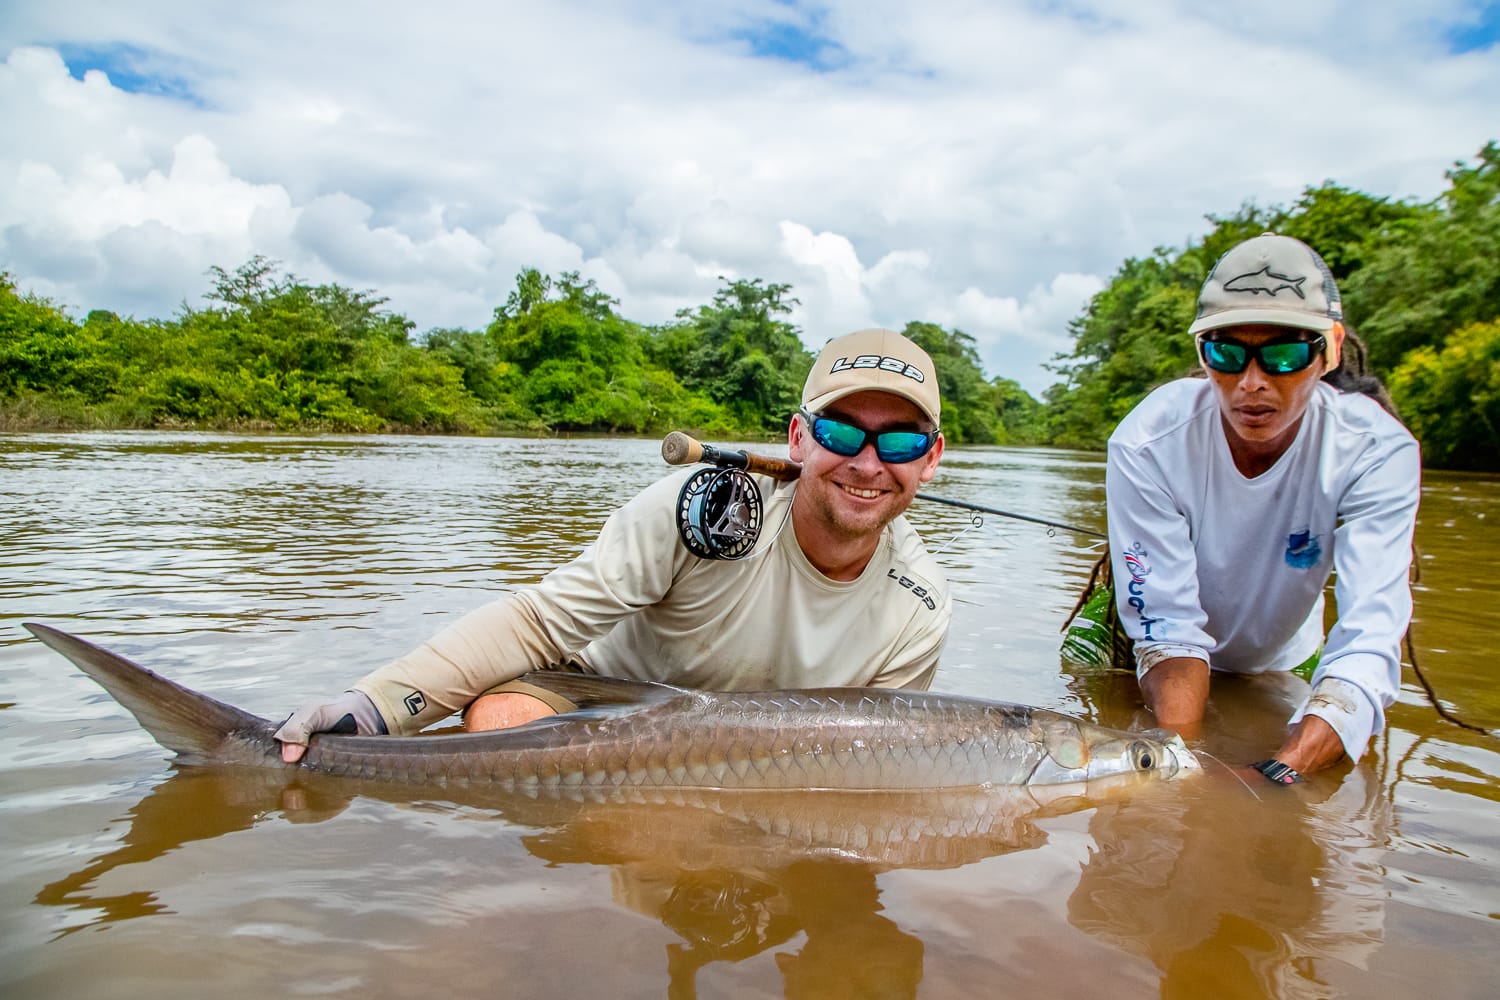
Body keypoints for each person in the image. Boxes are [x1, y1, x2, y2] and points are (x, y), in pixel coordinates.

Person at [276, 327, 950, 762]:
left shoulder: (919, 606)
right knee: (504, 718)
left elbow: (876, 754)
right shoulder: (709, 511)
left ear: (932, 458)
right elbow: (538, 623)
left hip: (761, 750)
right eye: (839, 434)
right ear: (798, 439)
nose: (867, 464)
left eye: (899, 441)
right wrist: (373, 708)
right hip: (604, 695)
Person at [1103, 232, 1420, 783]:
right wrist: (1181, 771)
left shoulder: (1377, 450)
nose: (1252, 384)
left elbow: (1368, 636)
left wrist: (1281, 771)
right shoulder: (1147, 440)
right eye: (1226, 353)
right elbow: (1168, 628)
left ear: (1330, 351)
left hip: (1283, 652)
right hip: (1144, 633)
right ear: (1201, 352)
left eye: (1284, 354)